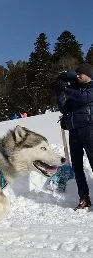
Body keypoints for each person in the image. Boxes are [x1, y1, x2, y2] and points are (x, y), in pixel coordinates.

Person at [53, 63, 93, 210]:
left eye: (79, 74)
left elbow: (83, 98)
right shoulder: (75, 92)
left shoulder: (90, 89)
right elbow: (64, 108)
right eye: (76, 74)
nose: (77, 76)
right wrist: (59, 91)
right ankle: (84, 198)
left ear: (88, 75)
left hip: (89, 129)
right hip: (74, 131)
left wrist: (66, 88)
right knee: (77, 166)